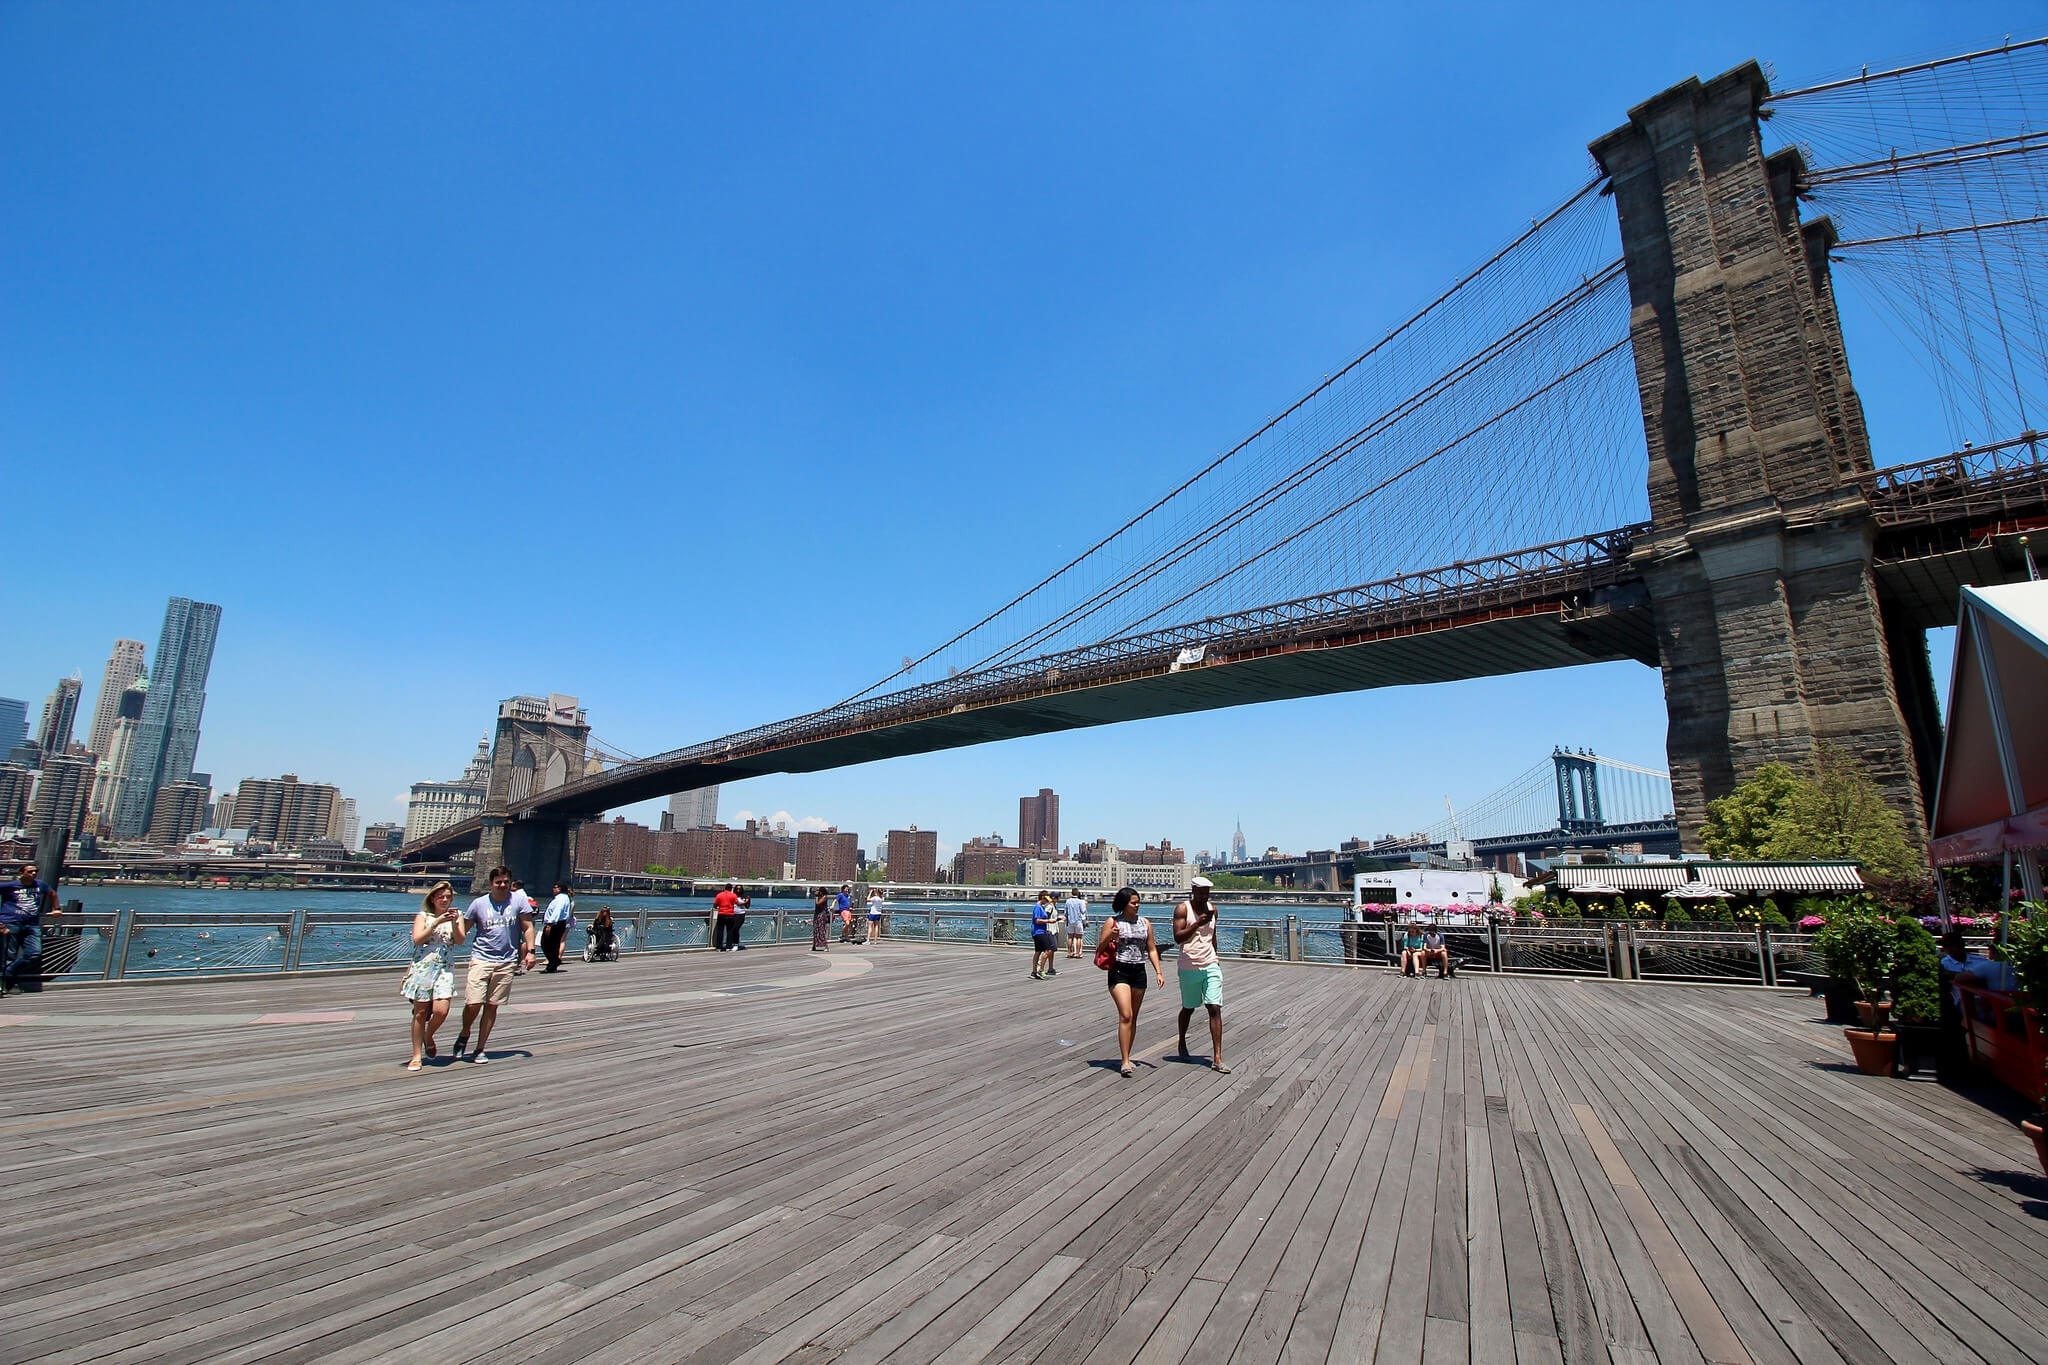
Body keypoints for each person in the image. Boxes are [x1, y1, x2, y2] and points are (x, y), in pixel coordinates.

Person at [452, 866, 536, 1064]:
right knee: (473, 1003)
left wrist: (531, 952)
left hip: (507, 961)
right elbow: (463, 929)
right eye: (498, 882)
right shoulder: (478, 904)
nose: (502, 885)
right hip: (481, 958)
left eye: (506, 882)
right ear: (491, 884)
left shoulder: (519, 901)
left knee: (492, 1006)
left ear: (510, 883)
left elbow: (528, 926)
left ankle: (480, 1048)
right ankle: (465, 1033)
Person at [1099, 887, 1164, 1078]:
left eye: (1138, 902)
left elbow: (1151, 948)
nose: (1137, 906)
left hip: (1139, 971)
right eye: (1133, 903)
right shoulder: (1113, 922)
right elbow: (1100, 946)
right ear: (1124, 904)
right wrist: (1110, 937)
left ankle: (1128, 1054)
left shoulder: (1145, 923)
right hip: (1119, 970)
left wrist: (1158, 971)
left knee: (1133, 1017)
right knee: (1125, 1014)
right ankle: (1125, 1060)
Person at [401, 881, 465, 1070]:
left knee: (441, 1010)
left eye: (448, 897)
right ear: (433, 898)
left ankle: (428, 1036)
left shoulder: (457, 915)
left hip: (445, 967)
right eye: (441, 896)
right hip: (424, 966)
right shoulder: (423, 916)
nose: (444, 900)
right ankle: (416, 1055)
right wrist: (436, 923)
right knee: (420, 1012)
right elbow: (417, 939)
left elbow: (460, 941)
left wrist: (453, 923)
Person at [1174, 876, 1230, 1073]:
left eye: (1208, 892)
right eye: (1201, 892)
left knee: (1214, 1006)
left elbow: (1212, 936)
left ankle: (1217, 1057)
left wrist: (1215, 955)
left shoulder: (1213, 910)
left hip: (1210, 963)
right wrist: (1196, 924)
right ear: (1193, 890)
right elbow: (1178, 938)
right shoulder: (1183, 909)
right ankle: (1182, 1041)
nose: (1205, 895)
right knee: (1188, 1008)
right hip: (1189, 965)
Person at [0, 861, 56, 997]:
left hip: (32, 924)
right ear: (21, 874)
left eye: (35, 871)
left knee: (34, 953)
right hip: (10, 923)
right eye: (30, 871)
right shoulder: (9, 886)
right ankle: (5, 986)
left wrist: (57, 909)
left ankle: (8, 973)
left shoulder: (40, 885)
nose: (34, 874)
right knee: (9, 955)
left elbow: (52, 893)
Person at [540, 880, 575, 971]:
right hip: (559, 923)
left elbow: (557, 911)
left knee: (545, 943)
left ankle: (554, 961)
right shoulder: (563, 898)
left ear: (559, 889)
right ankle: (553, 964)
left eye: (555, 887)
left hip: (555, 924)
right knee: (553, 945)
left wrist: (550, 924)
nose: (553, 889)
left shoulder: (561, 899)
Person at [1030, 890, 1059, 979]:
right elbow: (1037, 920)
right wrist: (1048, 921)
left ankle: (1034, 971)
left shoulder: (1041, 907)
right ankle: (1040, 969)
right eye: (1046, 899)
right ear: (1043, 898)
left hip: (1040, 931)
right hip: (1039, 931)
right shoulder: (1038, 907)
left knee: (1038, 951)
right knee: (1048, 950)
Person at [712, 883, 741, 952]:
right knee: (730, 931)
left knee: (720, 931)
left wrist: (719, 907)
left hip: (721, 914)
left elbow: (715, 905)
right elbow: (738, 903)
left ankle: (719, 947)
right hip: (730, 915)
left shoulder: (719, 895)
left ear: (725, 888)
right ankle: (728, 947)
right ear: (731, 889)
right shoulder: (733, 895)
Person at [1063, 889, 1087, 959]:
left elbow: (1065, 912)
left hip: (1070, 921)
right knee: (1079, 937)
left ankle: (1069, 952)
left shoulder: (1068, 901)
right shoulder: (1080, 902)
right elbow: (1083, 911)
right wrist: (1085, 905)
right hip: (1078, 921)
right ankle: (1078, 953)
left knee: (1070, 937)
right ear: (1078, 893)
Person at [811, 887, 832, 951]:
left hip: (822, 915)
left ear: (821, 892)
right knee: (815, 929)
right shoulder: (819, 897)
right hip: (817, 914)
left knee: (821, 930)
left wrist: (816, 897)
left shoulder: (824, 897)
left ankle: (826, 946)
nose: (816, 892)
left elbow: (818, 903)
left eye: (818, 891)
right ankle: (814, 946)